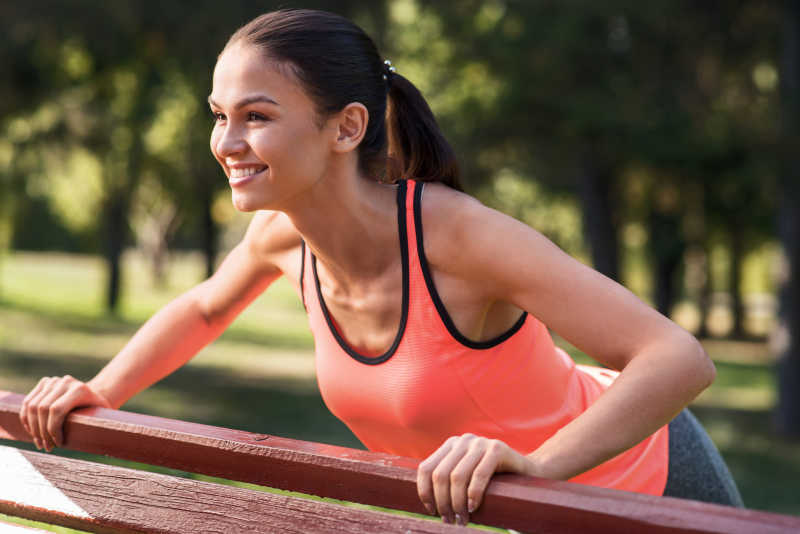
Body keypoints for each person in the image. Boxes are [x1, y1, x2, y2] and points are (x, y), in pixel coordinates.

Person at [19, 8, 743, 526]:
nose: (227, 142)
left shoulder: (458, 238)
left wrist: (540, 466)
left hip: (644, 483)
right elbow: (204, 309)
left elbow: (678, 359)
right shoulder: (282, 238)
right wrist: (99, 389)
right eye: (219, 114)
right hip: (502, 515)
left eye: (257, 116)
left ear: (347, 126)